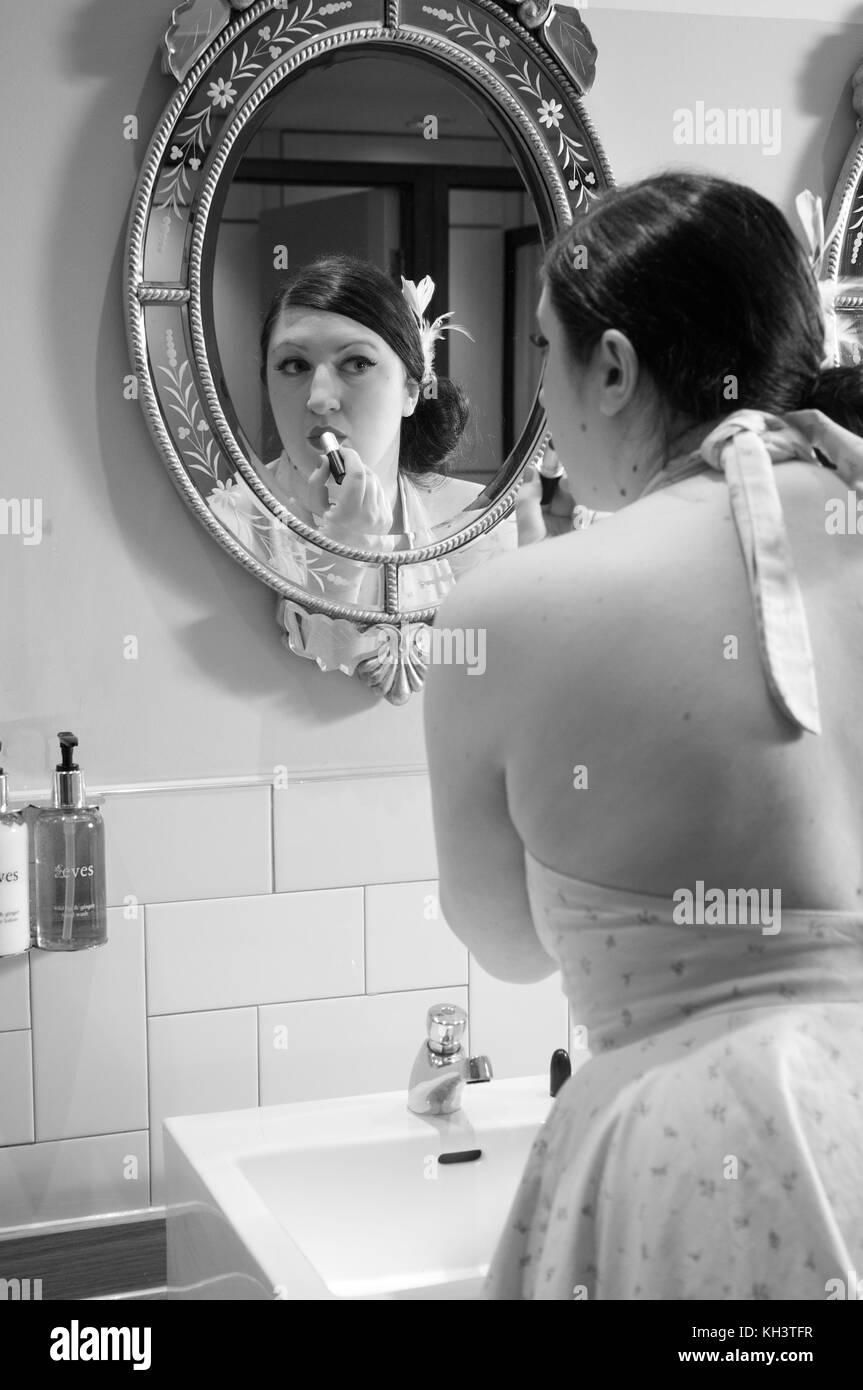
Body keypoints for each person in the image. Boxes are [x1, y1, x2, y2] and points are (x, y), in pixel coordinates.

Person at [422, 170, 863, 1299]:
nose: (537, 398)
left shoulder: (505, 612)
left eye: (540, 351)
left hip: (697, 1176)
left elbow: (510, 947)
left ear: (610, 365)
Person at [208, 255, 517, 623]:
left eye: (357, 363)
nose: (319, 398)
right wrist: (341, 550)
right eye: (295, 365)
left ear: (411, 390)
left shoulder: (477, 522)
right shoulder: (230, 524)